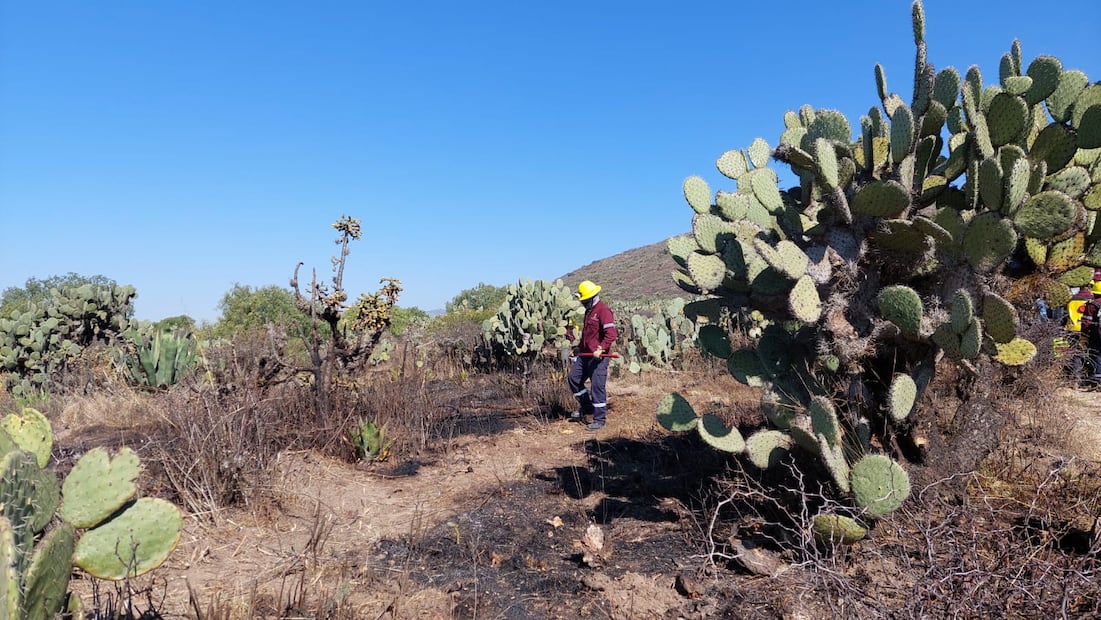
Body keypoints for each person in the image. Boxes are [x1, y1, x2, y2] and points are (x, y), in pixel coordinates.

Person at [567, 280, 618, 431]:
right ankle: (587, 407)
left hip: (599, 358)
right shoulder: (589, 312)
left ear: (591, 298)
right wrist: (579, 348)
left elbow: (611, 334)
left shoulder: (603, 310)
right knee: (574, 379)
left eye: (584, 300)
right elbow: (587, 335)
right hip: (585, 355)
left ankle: (599, 419)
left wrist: (601, 348)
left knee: (597, 387)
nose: (582, 303)